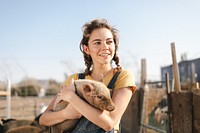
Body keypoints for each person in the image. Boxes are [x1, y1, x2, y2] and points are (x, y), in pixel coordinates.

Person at [39, 18, 136, 133]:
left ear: (115, 46)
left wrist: (72, 98)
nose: (105, 47)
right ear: (86, 49)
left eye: (109, 42)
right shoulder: (74, 79)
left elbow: (108, 123)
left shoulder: (122, 76)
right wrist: (66, 114)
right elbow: (44, 119)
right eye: (97, 43)